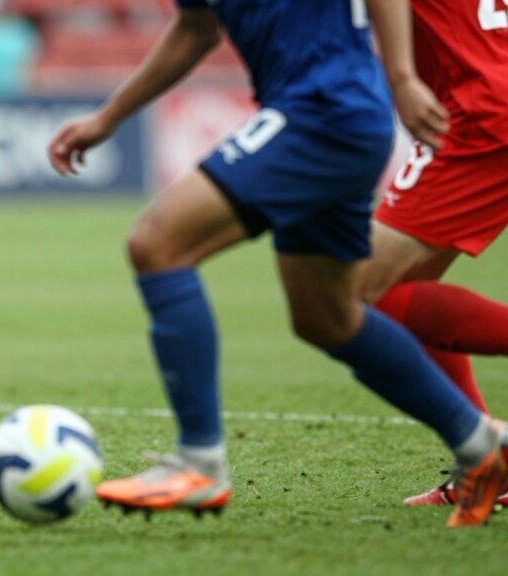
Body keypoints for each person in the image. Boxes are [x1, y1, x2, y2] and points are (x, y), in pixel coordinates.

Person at [48, 0, 505, 527]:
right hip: (330, 113)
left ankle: (199, 462)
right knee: (327, 317)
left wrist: (402, 77)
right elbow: (195, 28)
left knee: (158, 243)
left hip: (324, 110)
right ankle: (483, 445)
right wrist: (107, 118)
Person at [357, 0, 508, 507]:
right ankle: (489, 461)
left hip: (481, 111)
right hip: (486, 96)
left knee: (353, 293)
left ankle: (487, 451)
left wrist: (401, 78)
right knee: (398, 292)